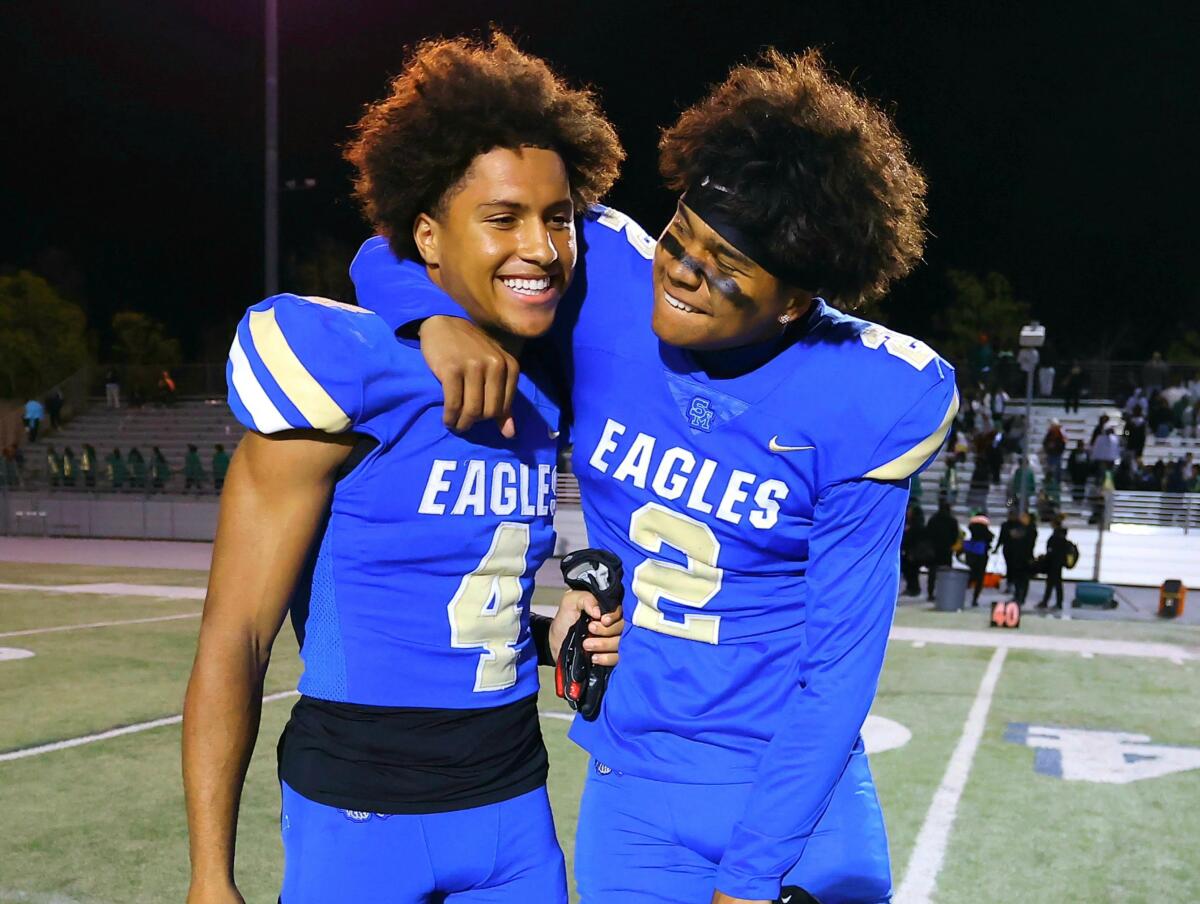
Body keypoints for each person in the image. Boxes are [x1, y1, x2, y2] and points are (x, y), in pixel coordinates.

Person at [356, 48, 954, 904]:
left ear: (793, 302)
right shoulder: (603, 277)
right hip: (630, 791)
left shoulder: (864, 394)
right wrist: (429, 317)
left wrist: (752, 879)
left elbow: (840, 671)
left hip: (791, 805)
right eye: (683, 237)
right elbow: (395, 246)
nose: (682, 272)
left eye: (725, 268)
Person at [183, 34, 625, 904]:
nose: (541, 246)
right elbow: (233, 641)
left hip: (513, 808)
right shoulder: (350, 374)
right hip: (361, 815)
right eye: (503, 218)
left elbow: (450, 605)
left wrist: (549, 631)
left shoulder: (546, 382)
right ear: (428, 235)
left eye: (558, 217)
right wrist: (210, 878)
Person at [925, 501, 960, 602]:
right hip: (946, 550)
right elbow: (955, 536)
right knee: (946, 573)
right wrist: (950, 545)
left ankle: (930, 594)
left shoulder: (933, 519)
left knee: (932, 574)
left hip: (934, 549)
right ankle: (945, 593)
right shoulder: (952, 521)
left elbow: (927, 533)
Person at [998, 510, 1036, 605]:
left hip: (1024, 557)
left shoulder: (1030, 530)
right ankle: (1017, 595)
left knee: (1023, 579)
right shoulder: (1020, 528)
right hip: (1017, 557)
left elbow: (1028, 544)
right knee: (1017, 578)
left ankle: (1021, 597)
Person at [961, 514, 994, 607]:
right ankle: (975, 599)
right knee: (979, 578)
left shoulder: (973, 529)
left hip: (971, 553)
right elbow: (990, 538)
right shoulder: (987, 535)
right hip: (982, 555)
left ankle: (961, 595)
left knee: (969, 575)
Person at [900, 502, 929, 597]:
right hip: (911, 552)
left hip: (913, 552)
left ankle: (913, 589)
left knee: (912, 572)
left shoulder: (915, 526)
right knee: (911, 572)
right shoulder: (915, 525)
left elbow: (912, 539)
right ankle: (912, 588)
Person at [1067, 438, 1090, 505]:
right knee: (1076, 487)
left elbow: (1088, 463)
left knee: (1082, 488)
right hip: (1075, 474)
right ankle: (1075, 499)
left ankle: (1081, 500)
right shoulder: (1074, 453)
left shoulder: (1086, 453)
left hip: (1083, 474)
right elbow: (1070, 463)